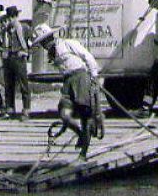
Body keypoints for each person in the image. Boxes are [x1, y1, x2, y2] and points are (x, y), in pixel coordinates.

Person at [32, 23, 104, 160]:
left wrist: (94, 76)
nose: (43, 45)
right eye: (41, 43)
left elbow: (87, 56)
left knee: (85, 116)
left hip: (81, 77)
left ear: (50, 38)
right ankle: (81, 135)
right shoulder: (51, 54)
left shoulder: (68, 44)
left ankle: (83, 153)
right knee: (64, 113)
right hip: (67, 81)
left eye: (44, 41)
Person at [0, 5, 32, 119]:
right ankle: (10, 110)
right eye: (9, 17)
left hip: (19, 58)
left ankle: (26, 110)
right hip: (8, 59)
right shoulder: (5, 30)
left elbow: (33, 42)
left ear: (16, 16)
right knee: (9, 85)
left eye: (13, 17)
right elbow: (0, 43)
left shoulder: (24, 28)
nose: (10, 19)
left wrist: (26, 53)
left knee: (23, 85)